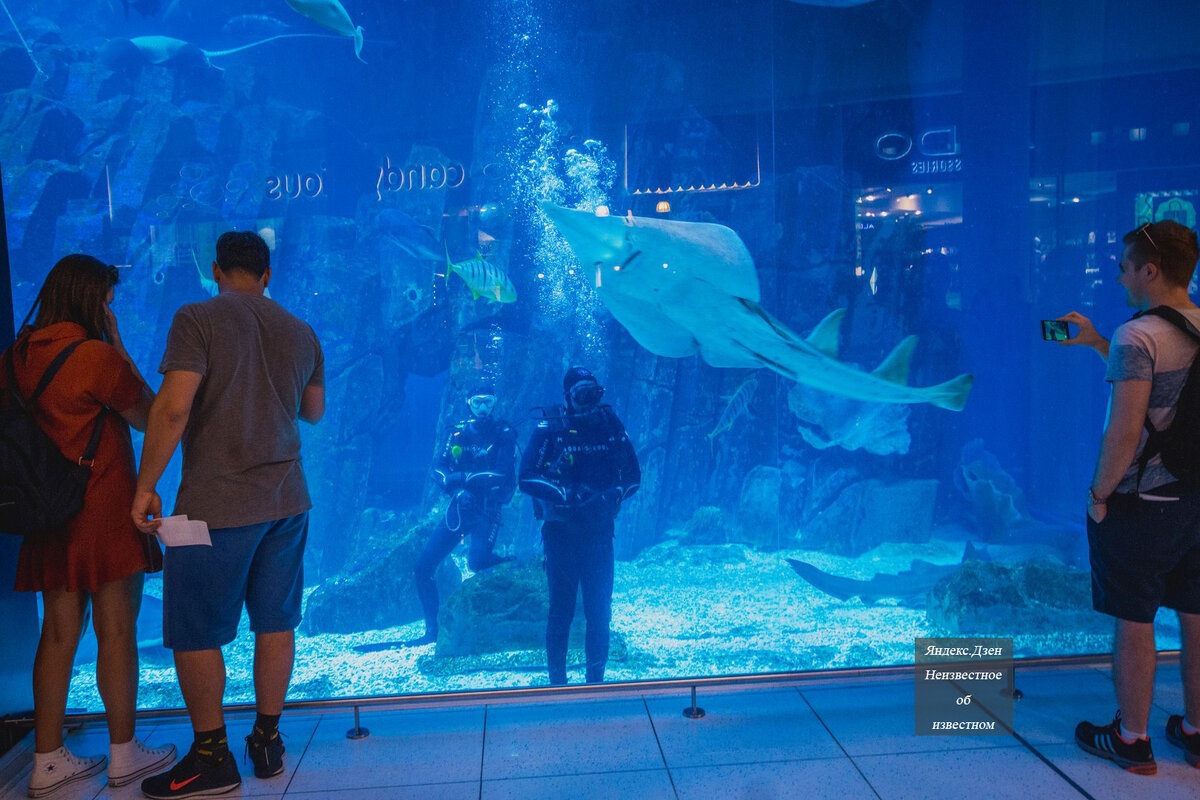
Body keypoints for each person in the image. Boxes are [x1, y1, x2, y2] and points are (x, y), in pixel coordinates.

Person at [131, 231, 324, 799]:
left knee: (194, 630)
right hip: (288, 504)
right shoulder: (301, 330)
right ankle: (267, 742)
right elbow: (312, 412)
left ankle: (212, 757)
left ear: (215, 269)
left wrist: (146, 486)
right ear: (268, 275)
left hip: (214, 507)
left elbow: (172, 408)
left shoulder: (198, 317)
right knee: (276, 623)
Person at [2, 254, 174, 797]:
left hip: (46, 512)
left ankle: (46, 761)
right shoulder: (95, 357)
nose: (110, 307)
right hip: (102, 508)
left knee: (56, 632)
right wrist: (118, 345)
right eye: (105, 299)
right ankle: (124, 753)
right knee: (116, 629)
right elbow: (150, 414)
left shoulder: (13, 360)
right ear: (87, 299)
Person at [1061, 220, 1200, 774]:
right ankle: (1194, 730)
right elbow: (1170, 401)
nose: (1117, 274)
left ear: (1150, 270)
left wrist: (1099, 494)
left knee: (1134, 618)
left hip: (1144, 505)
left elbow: (1127, 429)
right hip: (1196, 501)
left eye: (1123, 266)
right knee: (1195, 613)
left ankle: (1132, 739)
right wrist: (1096, 342)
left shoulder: (1138, 335)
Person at [519, 367, 640, 685]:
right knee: (562, 610)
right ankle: (557, 684)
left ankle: (594, 684)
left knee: (599, 613)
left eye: (594, 394)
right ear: (567, 397)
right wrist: (565, 494)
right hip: (561, 536)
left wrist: (609, 496)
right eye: (580, 395)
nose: (588, 403)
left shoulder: (609, 424)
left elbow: (633, 476)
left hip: (600, 535)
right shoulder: (551, 428)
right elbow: (526, 475)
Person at [408, 383, 518, 646]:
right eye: (478, 402)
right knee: (422, 567)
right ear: (468, 403)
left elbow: (501, 475)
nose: (483, 408)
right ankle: (433, 631)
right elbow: (438, 469)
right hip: (459, 509)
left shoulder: (504, 433)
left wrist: (461, 480)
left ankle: (513, 565)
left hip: (488, 511)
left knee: (477, 562)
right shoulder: (457, 434)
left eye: (488, 402)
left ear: (495, 403)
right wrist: (460, 490)